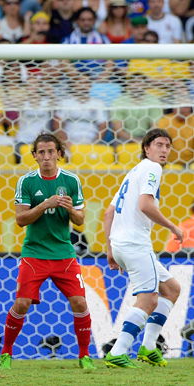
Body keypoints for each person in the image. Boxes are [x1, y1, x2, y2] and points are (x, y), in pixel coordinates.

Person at [0, 133, 96, 371]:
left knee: (80, 302)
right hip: (34, 254)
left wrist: (71, 209)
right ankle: (5, 353)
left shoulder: (71, 181)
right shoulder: (27, 182)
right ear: (34, 156)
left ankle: (84, 356)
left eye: (51, 151)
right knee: (21, 304)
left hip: (64, 253)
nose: (46, 157)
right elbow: (21, 220)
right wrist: (44, 205)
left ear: (59, 154)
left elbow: (81, 220)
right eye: (41, 152)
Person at [103, 128, 182, 368]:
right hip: (135, 244)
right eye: (159, 145)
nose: (164, 150)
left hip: (120, 244)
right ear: (146, 148)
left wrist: (109, 249)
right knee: (148, 299)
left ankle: (148, 348)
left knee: (171, 289)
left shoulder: (133, 172)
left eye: (168, 146)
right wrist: (172, 227)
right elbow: (145, 204)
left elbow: (108, 213)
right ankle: (118, 351)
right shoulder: (151, 168)